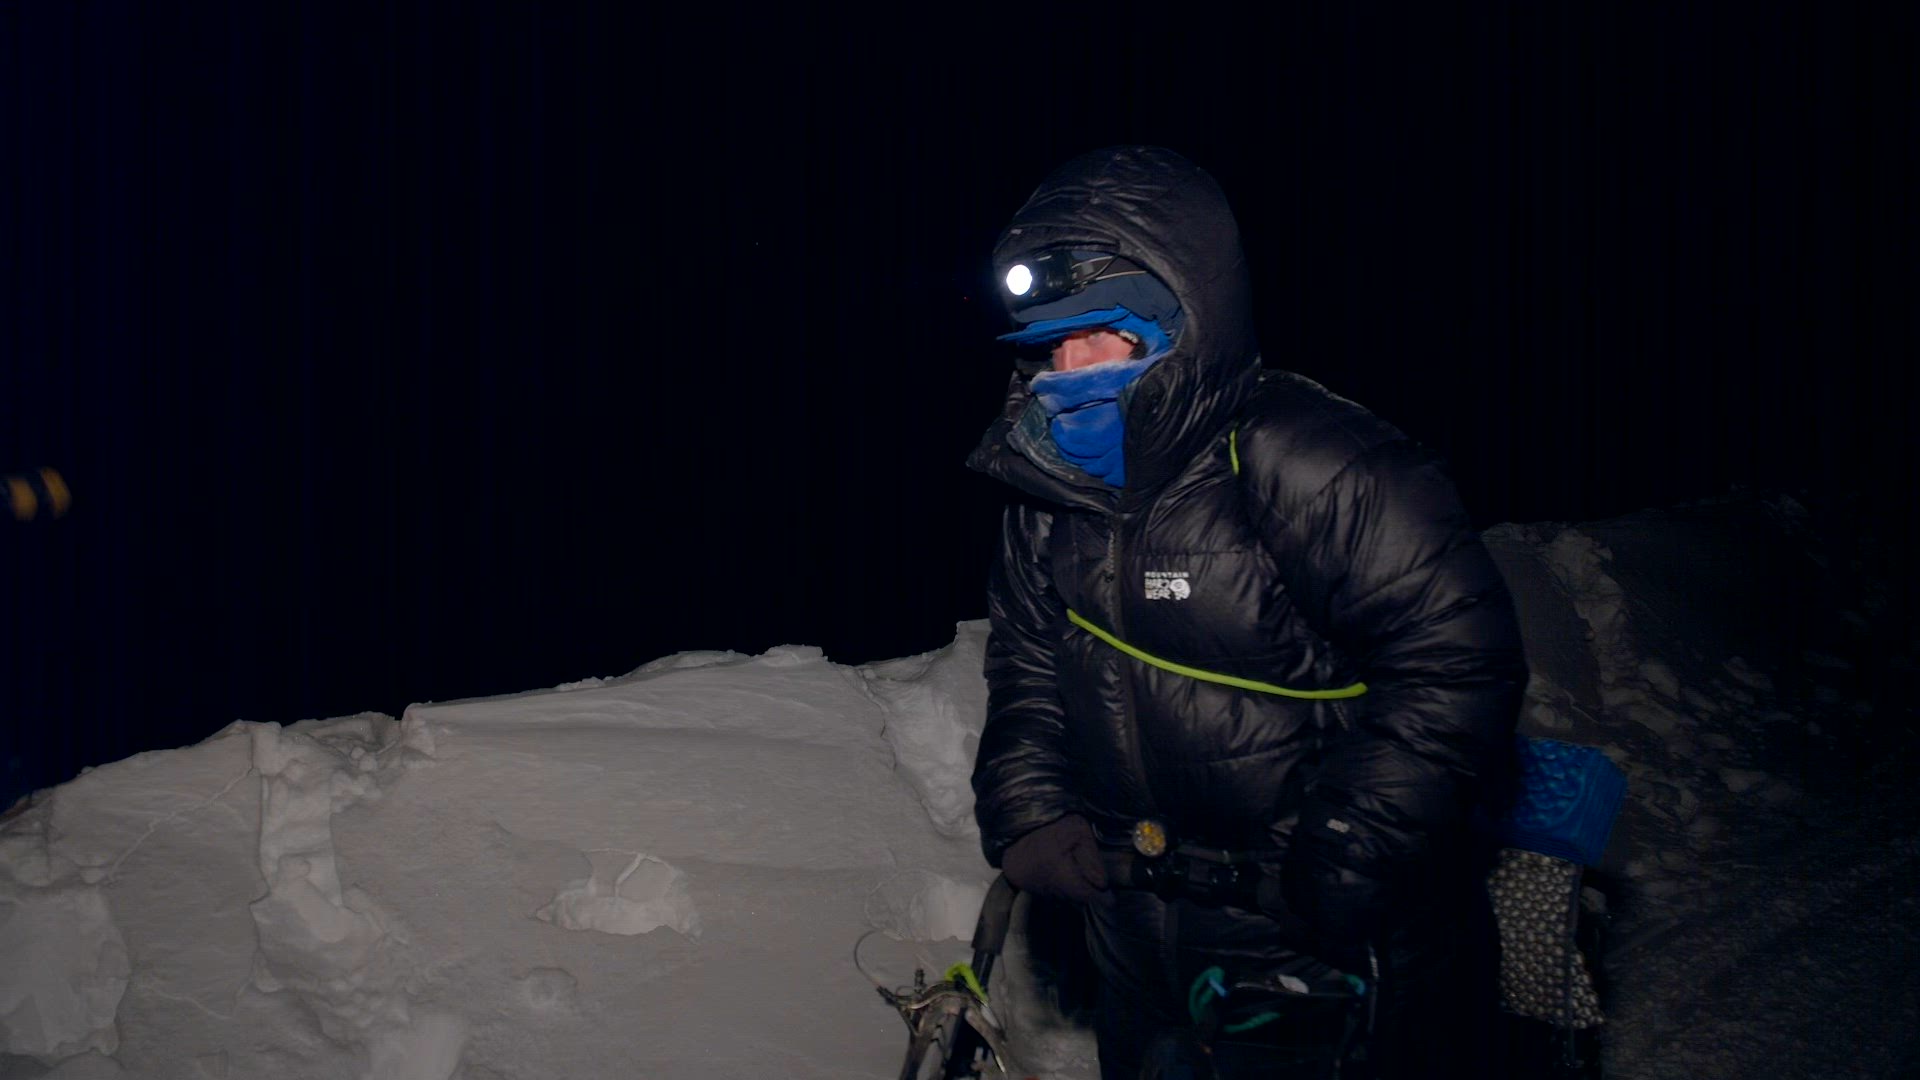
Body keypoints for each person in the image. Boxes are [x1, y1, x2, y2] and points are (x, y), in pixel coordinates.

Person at [966, 145, 1528, 1078]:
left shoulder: (1313, 461)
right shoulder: (1047, 492)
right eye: (1051, 345)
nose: (1068, 369)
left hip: (1318, 951)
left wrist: (1350, 849)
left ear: (1181, 321)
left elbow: (1455, 659)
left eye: (1100, 336)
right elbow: (1025, 661)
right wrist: (1028, 813)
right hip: (1135, 941)